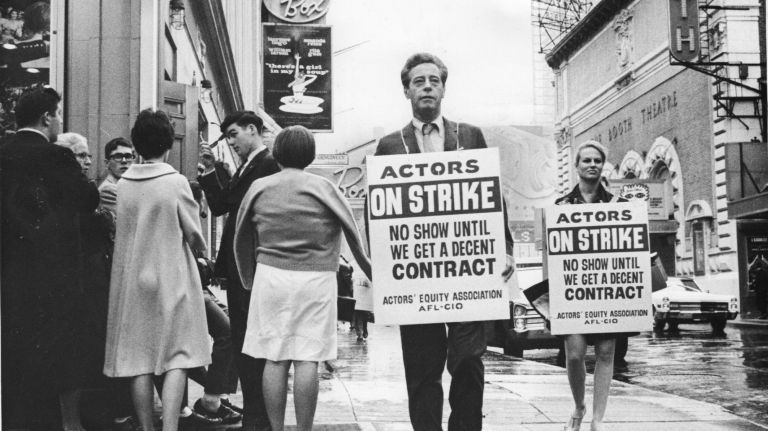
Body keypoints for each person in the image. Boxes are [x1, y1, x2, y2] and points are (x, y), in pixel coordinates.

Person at [372, 53, 514, 431]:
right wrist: (381, 265)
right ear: (407, 90)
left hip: (467, 274)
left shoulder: (469, 136)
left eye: (434, 80)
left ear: (444, 88)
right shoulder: (389, 146)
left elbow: (493, 195)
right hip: (416, 278)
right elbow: (380, 211)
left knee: (469, 361)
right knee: (422, 370)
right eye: (419, 81)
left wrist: (508, 248)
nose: (427, 87)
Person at [233, 125, 372, 431]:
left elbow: (240, 237)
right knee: (308, 358)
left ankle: (277, 427)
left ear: (277, 153)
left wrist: (247, 279)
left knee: (274, 357)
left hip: (270, 278)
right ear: (310, 155)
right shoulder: (325, 188)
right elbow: (353, 234)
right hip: (317, 279)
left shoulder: (259, 187)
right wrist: (372, 271)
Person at [103, 109, 212, 431]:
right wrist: (203, 254)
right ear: (168, 143)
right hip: (172, 274)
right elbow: (194, 234)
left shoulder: (123, 185)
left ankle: (147, 427)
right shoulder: (175, 182)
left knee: (140, 359)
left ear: (137, 144)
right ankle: (171, 427)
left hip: (133, 277)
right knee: (177, 355)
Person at [1, 86, 100, 430]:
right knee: (58, 355)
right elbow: (87, 200)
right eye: (57, 114)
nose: (59, 120)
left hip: (11, 275)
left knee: (15, 353)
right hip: (55, 275)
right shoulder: (56, 157)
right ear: (47, 117)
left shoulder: (3, 153)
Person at [198, 110, 280, 431]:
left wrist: (212, 171)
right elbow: (221, 205)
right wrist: (210, 171)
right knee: (244, 340)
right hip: (242, 267)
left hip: (250, 267)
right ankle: (255, 414)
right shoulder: (249, 165)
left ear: (252, 130)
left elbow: (229, 200)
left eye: (233, 134)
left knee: (250, 342)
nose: (231, 142)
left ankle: (258, 416)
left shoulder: (266, 164)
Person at [554, 140, 625, 431]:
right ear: (577, 166)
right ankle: (580, 405)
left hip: (607, 290)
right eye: (586, 160)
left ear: (602, 164)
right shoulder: (561, 206)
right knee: (574, 355)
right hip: (573, 292)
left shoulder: (617, 205)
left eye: (597, 160)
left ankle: (598, 420)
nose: (592, 164)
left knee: (606, 354)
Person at [99, 137, 136, 214]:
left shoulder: (124, 186)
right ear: (107, 163)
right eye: (118, 157)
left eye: (128, 156)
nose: (124, 161)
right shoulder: (108, 190)